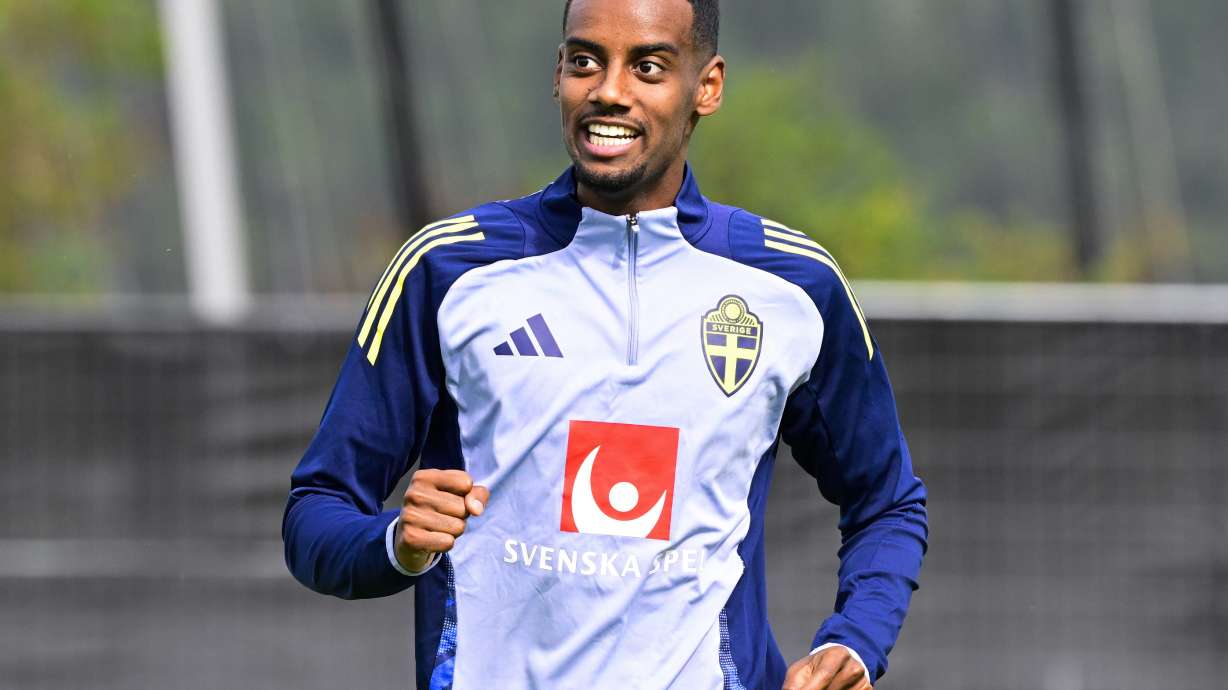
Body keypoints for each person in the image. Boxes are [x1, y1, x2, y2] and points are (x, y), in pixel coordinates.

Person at [282, 1, 927, 688]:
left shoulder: (793, 287)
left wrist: (855, 641)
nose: (609, 90)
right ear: (558, 72)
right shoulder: (448, 270)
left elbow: (887, 502)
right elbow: (315, 513)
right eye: (585, 61)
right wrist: (396, 545)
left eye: (647, 66)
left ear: (705, 87)